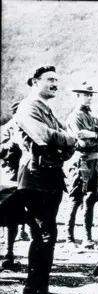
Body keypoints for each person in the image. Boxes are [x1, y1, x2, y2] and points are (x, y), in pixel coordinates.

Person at [14, 65, 76, 294]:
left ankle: (35, 289)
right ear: (34, 81)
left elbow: (62, 138)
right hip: (34, 178)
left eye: (56, 80)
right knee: (45, 235)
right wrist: (69, 140)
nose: (55, 84)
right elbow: (44, 136)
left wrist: (66, 142)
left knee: (45, 236)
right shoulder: (28, 107)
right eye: (50, 79)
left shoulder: (45, 109)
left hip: (49, 176)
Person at [65, 82, 98, 248]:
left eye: (90, 94)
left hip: (94, 160)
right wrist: (97, 136)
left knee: (91, 199)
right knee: (75, 199)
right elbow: (82, 142)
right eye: (85, 94)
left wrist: (93, 134)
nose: (89, 97)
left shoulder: (91, 116)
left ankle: (87, 238)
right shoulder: (74, 117)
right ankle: (69, 239)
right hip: (81, 161)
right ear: (78, 96)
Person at [0, 100, 30, 271]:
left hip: (26, 175)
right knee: (6, 216)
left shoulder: (30, 126)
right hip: (10, 177)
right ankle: (7, 255)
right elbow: (1, 149)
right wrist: (12, 144)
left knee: (16, 216)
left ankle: (9, 254)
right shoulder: (8, 128)